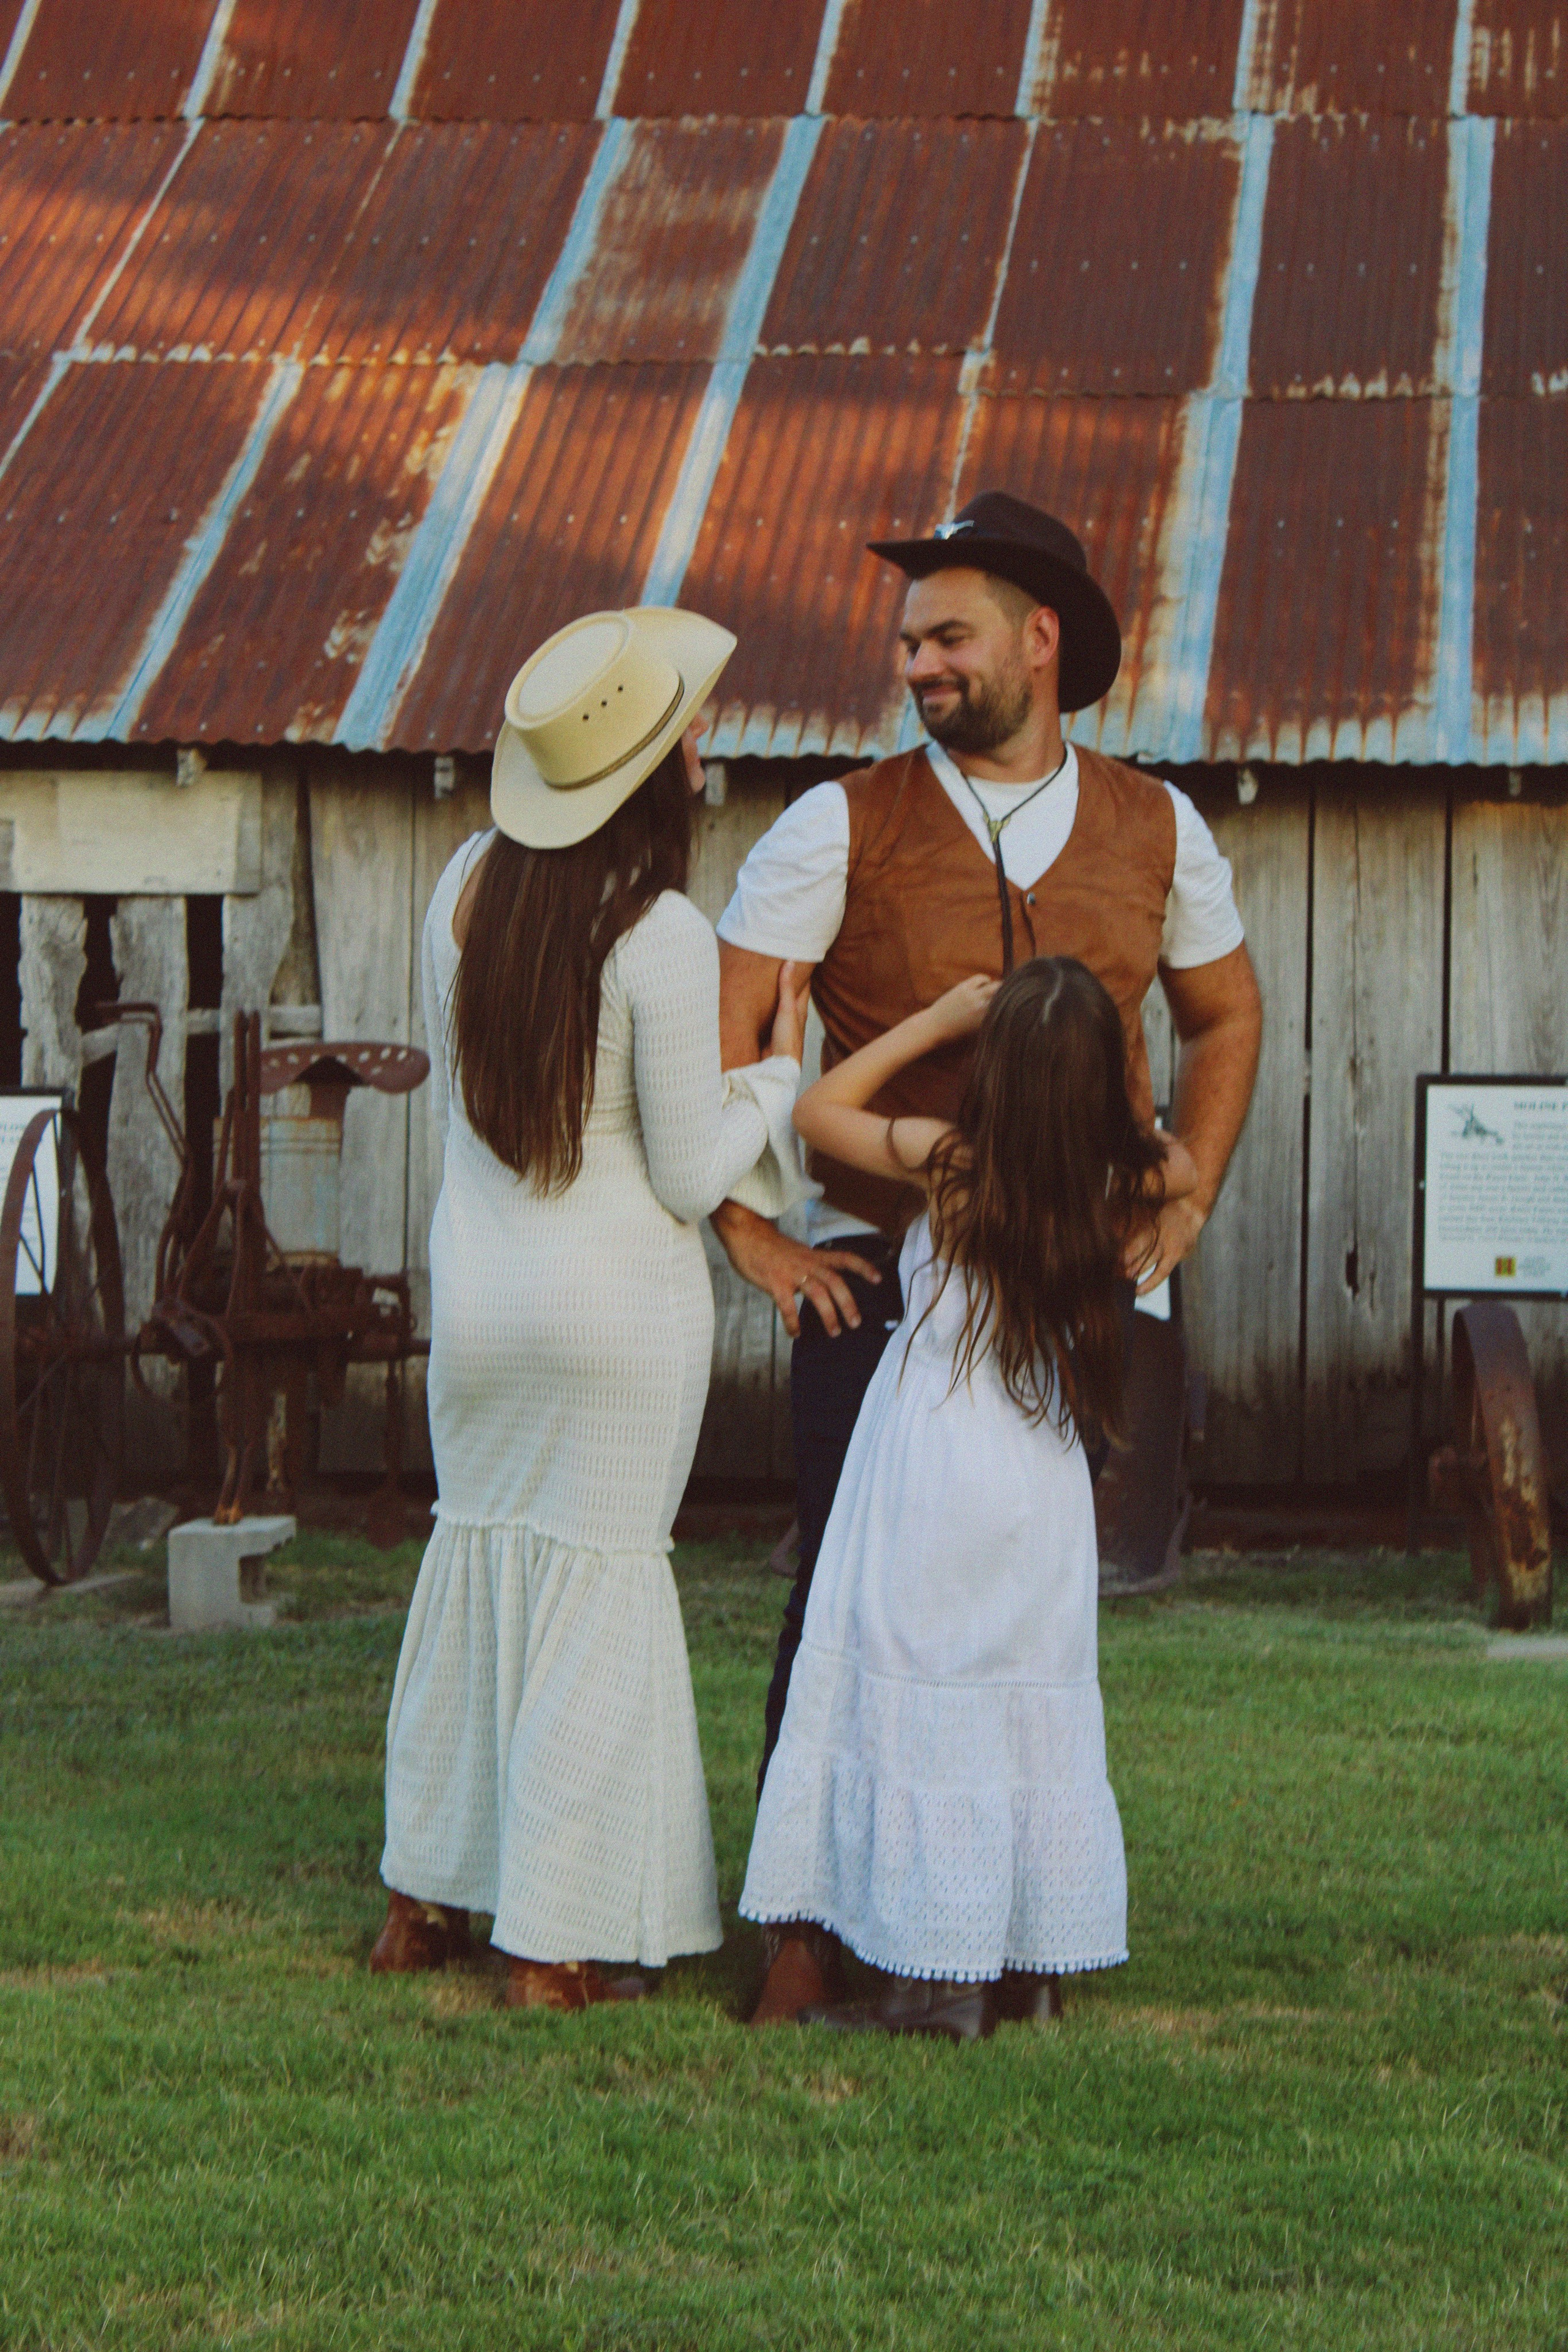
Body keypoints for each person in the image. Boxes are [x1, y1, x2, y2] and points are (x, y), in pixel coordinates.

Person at [709, 491, 1262, 2019]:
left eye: (946, 635)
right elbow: (732, 1022)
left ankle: (1007, 1922)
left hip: (1080, 1292)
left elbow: (1222, 1016)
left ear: (1039, 640)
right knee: (843, 1593)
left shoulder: (1159, 826)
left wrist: (1191, 1191)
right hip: (876, 1273)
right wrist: (747, 1226)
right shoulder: (838, 821)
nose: (917, 663)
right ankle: (809, 1927)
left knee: (1033, 1613)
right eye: (906, 642)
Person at [372, 606, 810, 2011]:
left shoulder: (460, 894)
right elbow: (686, 1171)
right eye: (687, 727)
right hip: (614, 1312)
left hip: (486, 1302)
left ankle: (421, 1899)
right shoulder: (662, 936)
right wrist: (779, 1078)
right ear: (652, 768)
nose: (702, 740)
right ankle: (553, 1941)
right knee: (597, 1601)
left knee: (475, 1571)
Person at [740, 958, 1198, 2040]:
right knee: (1015, 1703)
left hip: (934, 1474)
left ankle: (931, 1988)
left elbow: (818, 1109)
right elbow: (1181, 1167)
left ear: (994, 1074)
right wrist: (1149, 1170)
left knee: (922, 1707)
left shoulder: (949, 1164)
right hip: (1039, 1487)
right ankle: (1023, 1967)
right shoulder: (1120, 1180)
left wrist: (931, 1017)